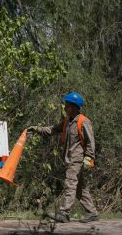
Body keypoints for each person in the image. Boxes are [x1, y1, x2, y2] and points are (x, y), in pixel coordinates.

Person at [27, 92, 99, 223]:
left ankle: (64, 213)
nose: (65, 108)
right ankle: (92, 213)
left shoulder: (83, 121)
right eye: (65, 105)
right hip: (69, 158)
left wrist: (89, 157)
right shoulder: (67, 121)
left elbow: (90, 141)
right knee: (79, 188)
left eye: (68, 106)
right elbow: (52, 129)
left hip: (77, 159)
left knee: (70, 184)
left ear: (75, 107)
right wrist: (36, 129)